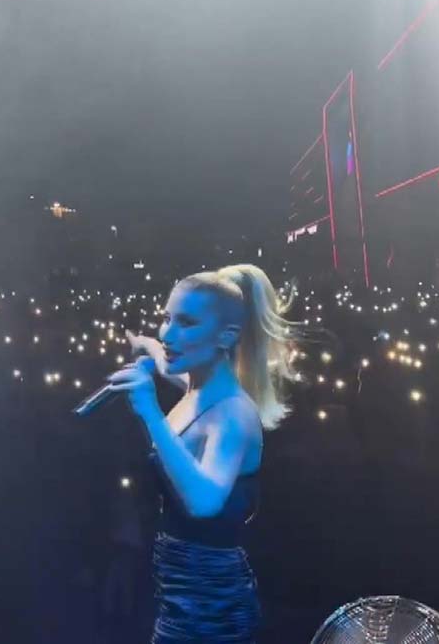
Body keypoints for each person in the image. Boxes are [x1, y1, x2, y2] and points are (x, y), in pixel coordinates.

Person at [108, 263, 299, 643]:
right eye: (167, 319)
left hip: (212, 610)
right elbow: (166, 360)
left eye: (186, 322)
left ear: (226, 336)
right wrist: (144, 344)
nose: (169, 334)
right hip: (179, 596)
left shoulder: (233, 415)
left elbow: (204, 501)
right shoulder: (198, 389)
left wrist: (150, 411)